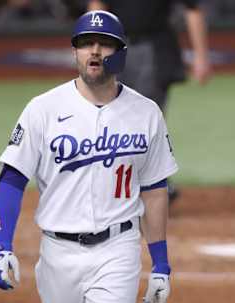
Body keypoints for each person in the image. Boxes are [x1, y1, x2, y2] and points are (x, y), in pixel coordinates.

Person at [0, 10, 178, 303]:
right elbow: (12, 178)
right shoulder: (43, 109)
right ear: (75, 51)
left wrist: (160, 263)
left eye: (105, 43)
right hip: (57, 254)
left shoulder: (146, 113)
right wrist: (1, 246)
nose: (95, 50)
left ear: (120, 53)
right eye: (86, 43)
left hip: (118, 250)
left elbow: (155, 188)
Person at [87, 0, 212, 202]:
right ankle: (124, 185)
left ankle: (152, 184)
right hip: (117, 47)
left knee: (146, 121)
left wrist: (201, 56)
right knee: (112, 119)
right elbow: (97, 6)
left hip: (155, 48)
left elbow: (192, 9)